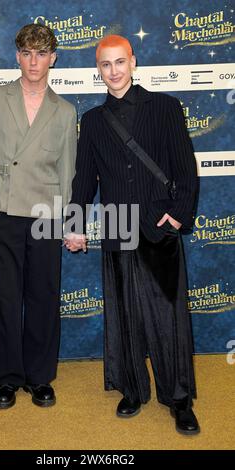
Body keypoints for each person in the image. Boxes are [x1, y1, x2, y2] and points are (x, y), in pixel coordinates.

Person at [65, 35, 200, 435]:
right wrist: (73, 224)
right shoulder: (91, 121)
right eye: (105, 65)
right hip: (117, 224)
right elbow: (83, 180)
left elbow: (185, 171)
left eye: (119, 62)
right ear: (98, 69)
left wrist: (177, 217)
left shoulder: (165, 108)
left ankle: (179, 399)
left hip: (159, 224)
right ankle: (131, 388)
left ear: (133, 62)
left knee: (168, 317)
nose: (114, 71)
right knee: (124, 314)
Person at [0, 23, 77, 409]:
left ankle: (39, 377)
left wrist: (70, 223)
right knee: (6, 298)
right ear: (17, 56)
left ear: (53, 58)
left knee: (44, 297)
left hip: (46, 213)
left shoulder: (64, 112)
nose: (34, 61)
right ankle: (8, 377)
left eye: (42, 53)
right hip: (5, 211)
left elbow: (68, 174)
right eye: (28, 53)